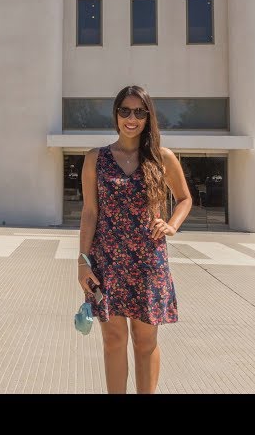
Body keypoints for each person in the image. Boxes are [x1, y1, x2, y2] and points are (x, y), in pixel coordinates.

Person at [77, 84, 192, 395]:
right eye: (125, 111)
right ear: (116, 115)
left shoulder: (161, 158)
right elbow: (89, 213)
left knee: (145, 341)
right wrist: (82, 262)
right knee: (113, 340)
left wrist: (171, 225)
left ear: (147, 117)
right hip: (107, 262)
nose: (131, 118)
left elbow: (183, 198)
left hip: (147, 263)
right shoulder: (95, 159)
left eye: (139, 112)